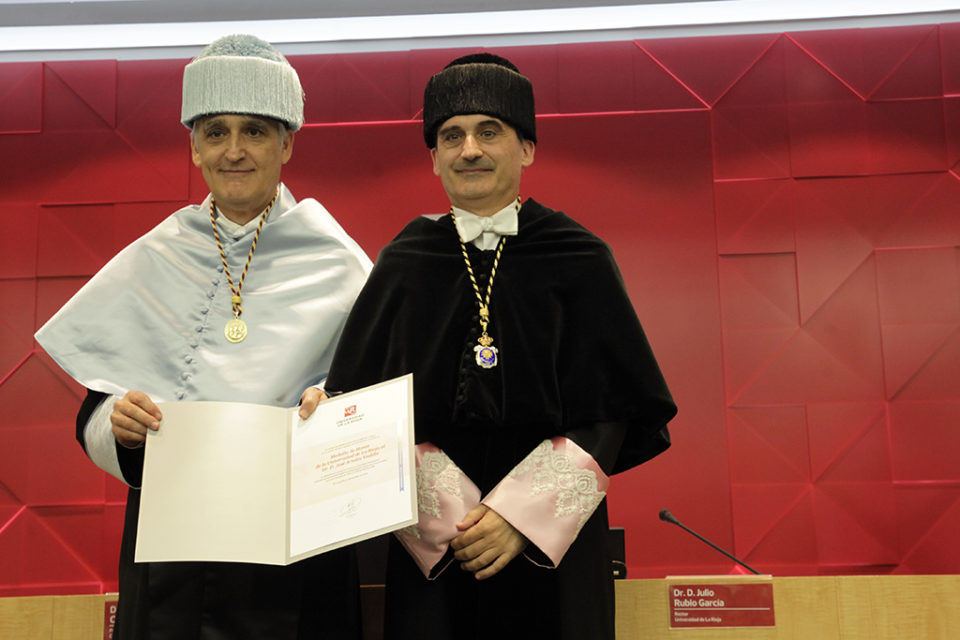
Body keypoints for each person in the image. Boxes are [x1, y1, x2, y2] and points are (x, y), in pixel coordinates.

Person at [303, 53, 677, 639]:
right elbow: (365, 407)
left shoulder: (579, 256)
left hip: (553, 550)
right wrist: (454, 518)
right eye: (451, 136)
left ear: (526, 149)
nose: (469, 149)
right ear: (433, 157)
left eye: (489, 132)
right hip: (434, 552)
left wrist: (516, 517)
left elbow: (612, 412)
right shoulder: (403, 261)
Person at [35, 34, 371, 639]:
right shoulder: (154, 257)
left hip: (297, 565)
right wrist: (120, 423)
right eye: (216, 132)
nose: (234, 151)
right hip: (174, 567)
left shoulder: (338, 262)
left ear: (287, 142)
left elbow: (373, 406)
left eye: (255, 131)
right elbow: (95, 411)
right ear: (193, 146)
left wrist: (338, 409)